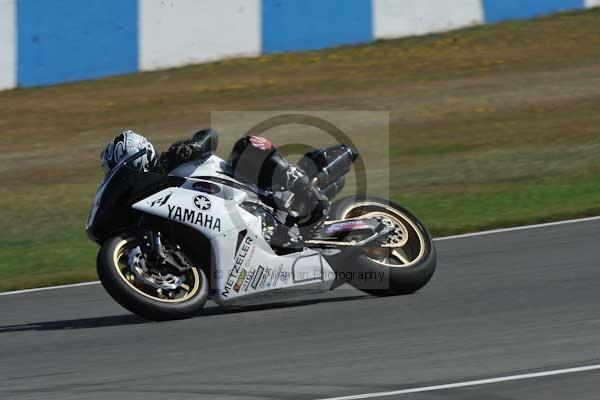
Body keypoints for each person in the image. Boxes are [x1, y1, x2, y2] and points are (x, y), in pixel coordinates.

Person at [100, 129, 329, 246]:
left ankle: (304, 189)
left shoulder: (171, 158)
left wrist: (193, 146)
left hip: (249, 193)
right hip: (224, 222)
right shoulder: (149, 203)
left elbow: (209, 135)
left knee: (247, 146)